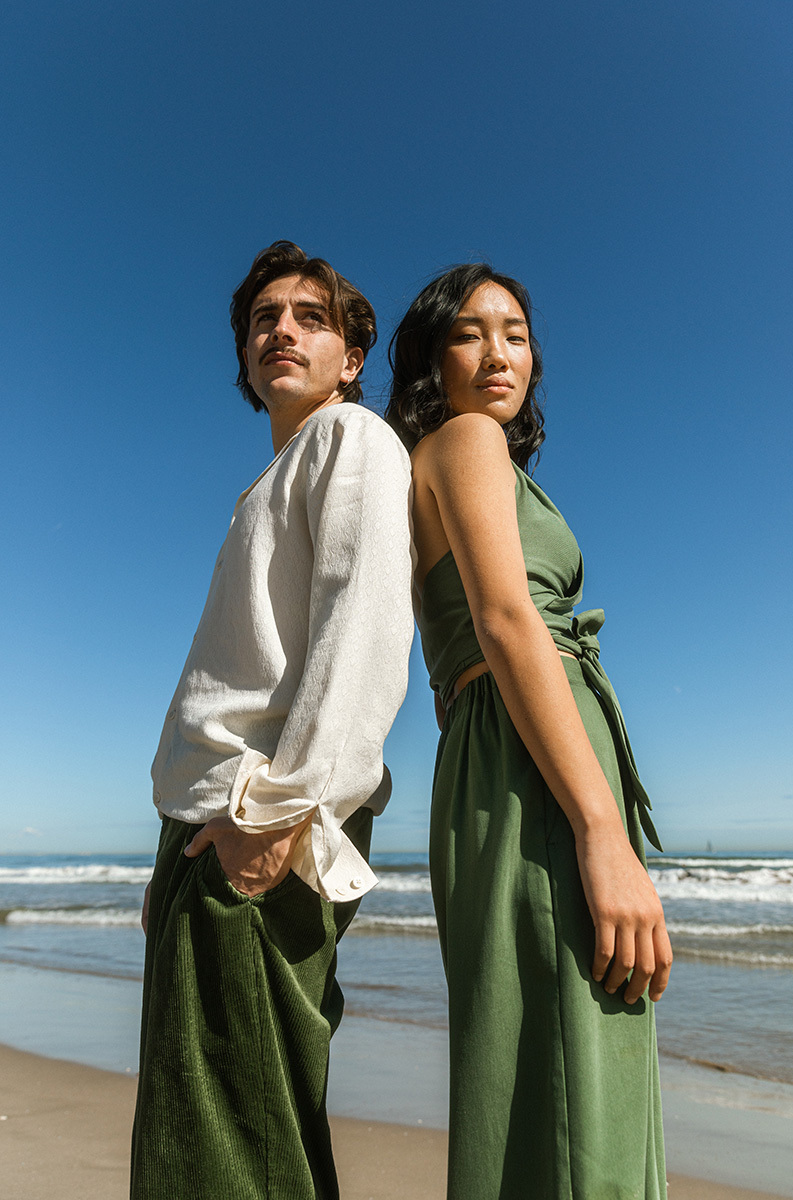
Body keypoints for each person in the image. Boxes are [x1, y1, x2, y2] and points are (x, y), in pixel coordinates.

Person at [131, 241, 415, 1200]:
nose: (281, 331)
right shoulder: (280, 474)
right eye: (263, 319)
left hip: (263, 822)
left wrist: (278, 817)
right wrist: (173, 855)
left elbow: (364, 631)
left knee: (235, 1150)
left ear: (351, 358)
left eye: (311, 317)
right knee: (213, 1131)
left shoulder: (355, 442)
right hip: (214, 828)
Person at [386, 264, 671, 1199]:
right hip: (535, 766)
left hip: (492, 751)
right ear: (434, 356)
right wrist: (599, 829)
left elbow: (448, 659)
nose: (500, 350)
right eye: (470, 332)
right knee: (579, 1064)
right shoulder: (465, 439)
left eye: (515, 331)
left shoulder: (429, 464)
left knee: (526, 1058)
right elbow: (507, 622)